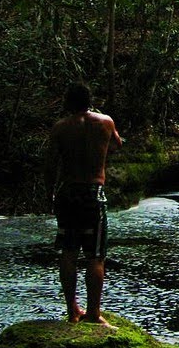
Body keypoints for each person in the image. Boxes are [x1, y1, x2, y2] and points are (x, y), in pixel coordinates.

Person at [43, 82, 122, 325]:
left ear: (68, 103)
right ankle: (94, 313)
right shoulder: (105, 122)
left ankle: (72, 310)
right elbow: (118, 145)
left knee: (69, 251)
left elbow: (49, 164)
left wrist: (50, 195)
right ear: (90, 100)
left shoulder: (60, 128)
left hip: (67, 193)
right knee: (95, 256)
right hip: (93, 193)